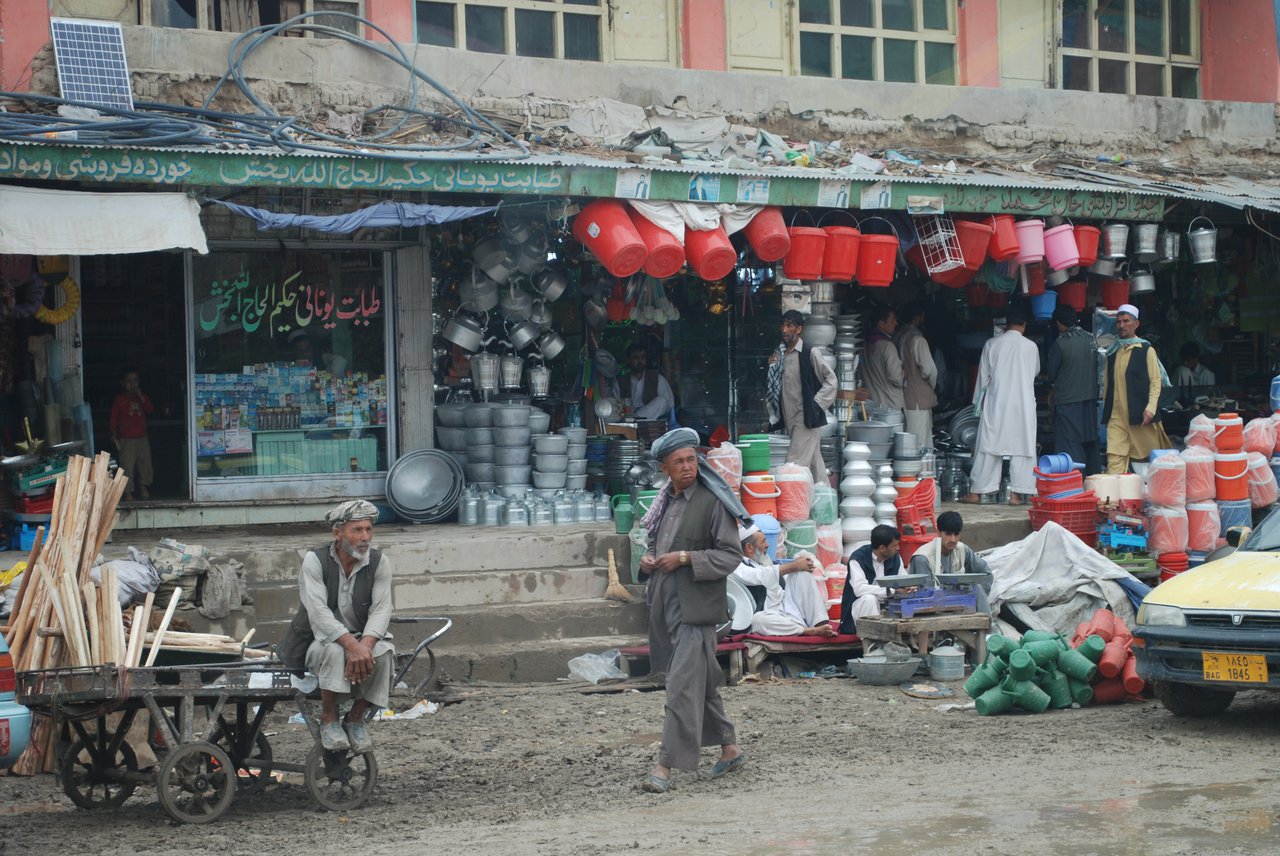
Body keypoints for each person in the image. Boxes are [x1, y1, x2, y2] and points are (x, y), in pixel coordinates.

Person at [638, 427, 747, 793]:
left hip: (696, 610)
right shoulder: (664, 502)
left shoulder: (712, 501)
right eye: (678, 462)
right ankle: (729, 748)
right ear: (665, 468)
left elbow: (731, 555)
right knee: (700, 687)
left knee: (681, 687)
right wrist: (649, 560)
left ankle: (665, 765)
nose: (687, 467)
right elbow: (657, 544)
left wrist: (685, 558)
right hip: (665, 605)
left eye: (691, 460)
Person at [281, 500, 394, 753]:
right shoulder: (315, 560)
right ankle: (329, 718)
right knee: (334, 650)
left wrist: (364, 645)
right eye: (357, 531)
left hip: (360, 640)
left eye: (368, 530)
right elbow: (318, 613)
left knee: (384, 653)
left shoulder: (379, 562)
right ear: (337, 534)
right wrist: (351, 645)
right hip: (317, 642)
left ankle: (356, 719)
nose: (365, 537)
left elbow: (382, 609)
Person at [964, 305, 1040, 506]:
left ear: (1006, 324)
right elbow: (1034, 373)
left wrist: (977, 405)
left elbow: (983, 378)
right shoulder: (1031, 347)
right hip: (1022, 406)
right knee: (1023, 448)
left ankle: (977, 492)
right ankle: (1017, 495)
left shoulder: (992, 344)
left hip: (997, 403)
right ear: (1024, 325)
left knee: (988, 446)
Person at [767, 310, 837, 482]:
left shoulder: (809, 353)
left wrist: (817, 404)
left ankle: (791, 508)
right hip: (791, 420)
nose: (784, 329)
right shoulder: (780, 354)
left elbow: (832, 380)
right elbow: (774, 386)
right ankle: (824, 504)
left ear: (799, 329)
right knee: (815, 467)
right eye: (783, 325)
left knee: (792, 468)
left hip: (805, 420)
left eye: (789, 326)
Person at [732, 522, 836, 637]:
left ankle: (820, 624)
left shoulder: (761, 561)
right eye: (763, 542)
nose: (767, 545)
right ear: (749, 547)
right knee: (758, 620)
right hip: (770, 617)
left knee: (802, 573)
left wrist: (800, 565)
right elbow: (756, 575)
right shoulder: (735, 565)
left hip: (787, 608)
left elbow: (778, 577)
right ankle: (808, 631)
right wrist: (793, 566)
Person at [1103, 304, 1171, 474]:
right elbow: (1106, 385)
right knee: (1114, 462)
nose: (1121, 325)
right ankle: (1115, 499)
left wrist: (1150, 407)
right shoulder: (1112, 352)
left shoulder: (1146, 350)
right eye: (1118, 322)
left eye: (1126, 321)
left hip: (1141, 417)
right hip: (1117, 418)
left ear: (1136, 324)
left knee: (1148, 464)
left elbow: (1156, 382)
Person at [1046, 305, 1101, 476]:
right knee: (1091, 442)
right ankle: (1093, 480)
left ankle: (1073, 483)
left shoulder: (1061, 343)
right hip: (1090, 400)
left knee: (1069, 445)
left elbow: (1051, 374)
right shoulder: (1092, 339)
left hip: (1067, 402)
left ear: (1059, 324)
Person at [906, 512, 993, 616]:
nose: (953, 539)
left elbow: (986, 574)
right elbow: (925, 597)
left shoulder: (962, 549)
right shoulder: (922, 558)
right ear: (938, 532)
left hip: (959, 605)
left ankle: (988, 627)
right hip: (930, 610)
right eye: (948, 534)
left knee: (977, 588)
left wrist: (973, 599)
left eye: (956, 534)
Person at [839, 525, 901, 635]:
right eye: (895, 545)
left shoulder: (895, 557)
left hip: (887, 609)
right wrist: (891, 591)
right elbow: (859, 589)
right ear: (882, 548)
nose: (898, 548)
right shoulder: (857, 559)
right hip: (858, 611)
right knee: (869, 599)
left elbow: (903, 580)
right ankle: (874, 641)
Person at [895, 302, 938, 450]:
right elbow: (929, 370)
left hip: (902, 395)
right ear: (918, 317)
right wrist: (932, 385)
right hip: (918, 398)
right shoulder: (917, 340)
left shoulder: (898, 335)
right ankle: (918, 471)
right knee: (919, 441)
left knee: (907, 437)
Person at [110, 369, 154, 501]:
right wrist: (113, 434)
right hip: (126, 439)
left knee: (145, 463)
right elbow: (113, 418)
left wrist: (140, 395)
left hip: (142, 437)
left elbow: (150, 410)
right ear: (122, 383)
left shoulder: (143, 397)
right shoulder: (119, 400)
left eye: (135, 380)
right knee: (127, 466)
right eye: (129, 381)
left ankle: (143, 486)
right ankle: (128, 492)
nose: (133, 384)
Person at [862, 305, 905, 422]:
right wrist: (905, 374)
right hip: (888, 407)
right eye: (892, 320)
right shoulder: (887, 346)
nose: (896, 323)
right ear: (881, 324)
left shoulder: (865, 345)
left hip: (870, 403)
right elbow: (896, 377)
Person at [614, 341, 675, 421]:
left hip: (651, 419)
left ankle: (637, 418)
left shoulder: (657, 378)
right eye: (636, 357)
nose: (640, 361)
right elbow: (615, 406)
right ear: (628, 360)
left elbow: (669, 404)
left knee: (662, 401)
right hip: (627, 418)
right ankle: (635, 418)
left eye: (643, 357)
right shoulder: (620, 382)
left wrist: (643, 412)